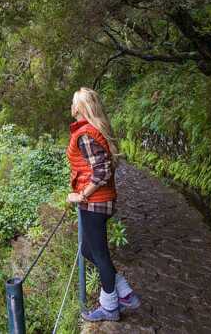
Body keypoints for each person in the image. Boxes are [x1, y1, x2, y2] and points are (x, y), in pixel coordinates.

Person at [65, 87, 141, 322]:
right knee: (89, 250)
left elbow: (102, 170)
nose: (71, 105)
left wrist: (82, 195)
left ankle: (109, 307)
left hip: (95, 203)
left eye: (74, 101)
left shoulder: (86, 134)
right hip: (102, 201)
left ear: (80, 107)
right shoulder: (91, 131)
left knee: (99, 253)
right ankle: (125, 293)